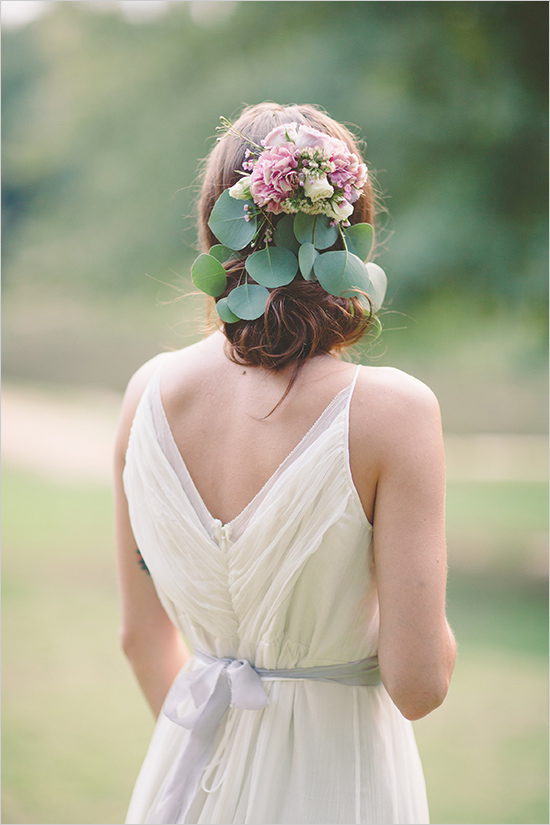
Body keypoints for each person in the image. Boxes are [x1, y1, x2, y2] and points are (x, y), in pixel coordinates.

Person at [114, 102, 456, 825]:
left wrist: (223, 756)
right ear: (350, 232)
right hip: (341, 785)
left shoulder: (145, 395)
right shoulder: (393, 413)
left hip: (187, 778)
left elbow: (140, 638)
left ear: (216, 229)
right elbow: (419, 683)